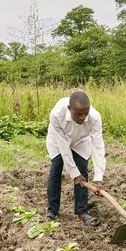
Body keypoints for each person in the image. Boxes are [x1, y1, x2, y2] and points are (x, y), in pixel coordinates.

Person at [45, 89, 106, 226]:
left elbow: (98, 146)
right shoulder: (56, 115)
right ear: (69, 108)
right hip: (58, 140)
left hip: (81, 140)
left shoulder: (95, 117)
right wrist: (74, 174)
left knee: (82, 169)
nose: (82, 117)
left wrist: (98, 178)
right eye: (78, 114)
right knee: (56, 168)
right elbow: (64, 147)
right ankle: (52, 210)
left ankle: (81, 211)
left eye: (85, 113)